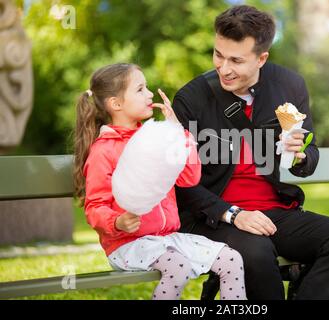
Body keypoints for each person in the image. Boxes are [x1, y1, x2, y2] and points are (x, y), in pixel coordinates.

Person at [172, 5, 329, 300]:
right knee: (256, 251)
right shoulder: (190, 98)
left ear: (262, 58)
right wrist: (233, 215)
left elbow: (309, 154)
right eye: (218, 55)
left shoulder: (289, 85)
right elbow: (181, 185)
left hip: (273, 211)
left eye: (236, 60)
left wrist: (300, 155)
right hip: (213, 216)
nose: (224, 68)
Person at [73, 63, 246, 300]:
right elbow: (95, 206)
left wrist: (179, 133)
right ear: (116, 104)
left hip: (166, 239)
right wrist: (117, 222)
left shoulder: (155, 138)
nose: (150, 94)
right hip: (128, 244)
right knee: (178, 267)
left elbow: (189, 178)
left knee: (231, 259)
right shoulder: (104, 151)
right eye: (140, 89)